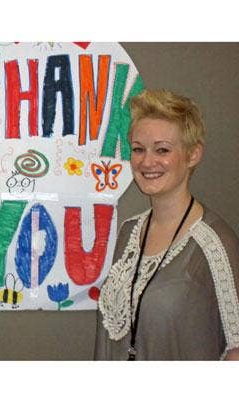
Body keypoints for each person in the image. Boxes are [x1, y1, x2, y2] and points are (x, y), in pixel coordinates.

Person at [95, 89, 239, 360]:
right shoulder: (129, 232)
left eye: (162, 150)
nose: (147, 161)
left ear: (193, 154)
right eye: (138, 149)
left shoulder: (214, 243)